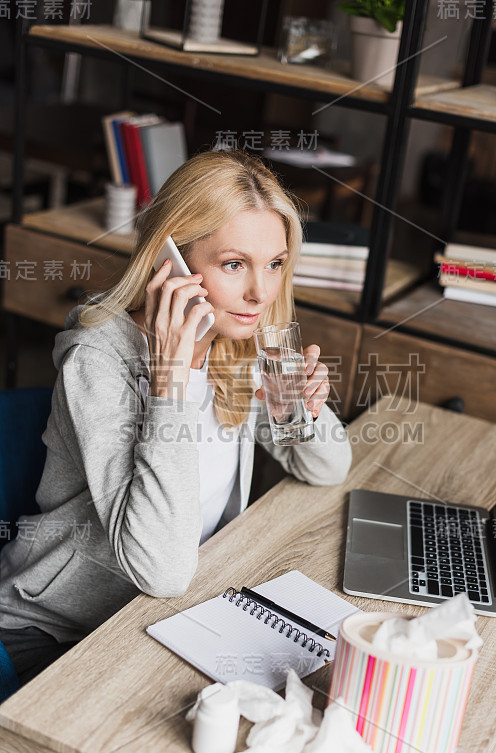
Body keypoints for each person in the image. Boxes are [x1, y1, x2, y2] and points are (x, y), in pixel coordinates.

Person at [0, 150, 352, 687]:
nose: (260, 292)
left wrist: (296, 413)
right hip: (59, 629)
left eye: (275, 263)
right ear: (172, 261)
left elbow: (327, 466)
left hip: (170, 612)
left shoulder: (235, 338)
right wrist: (172, 380)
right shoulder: (98, 362)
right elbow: (160, 569)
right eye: (234, 264)